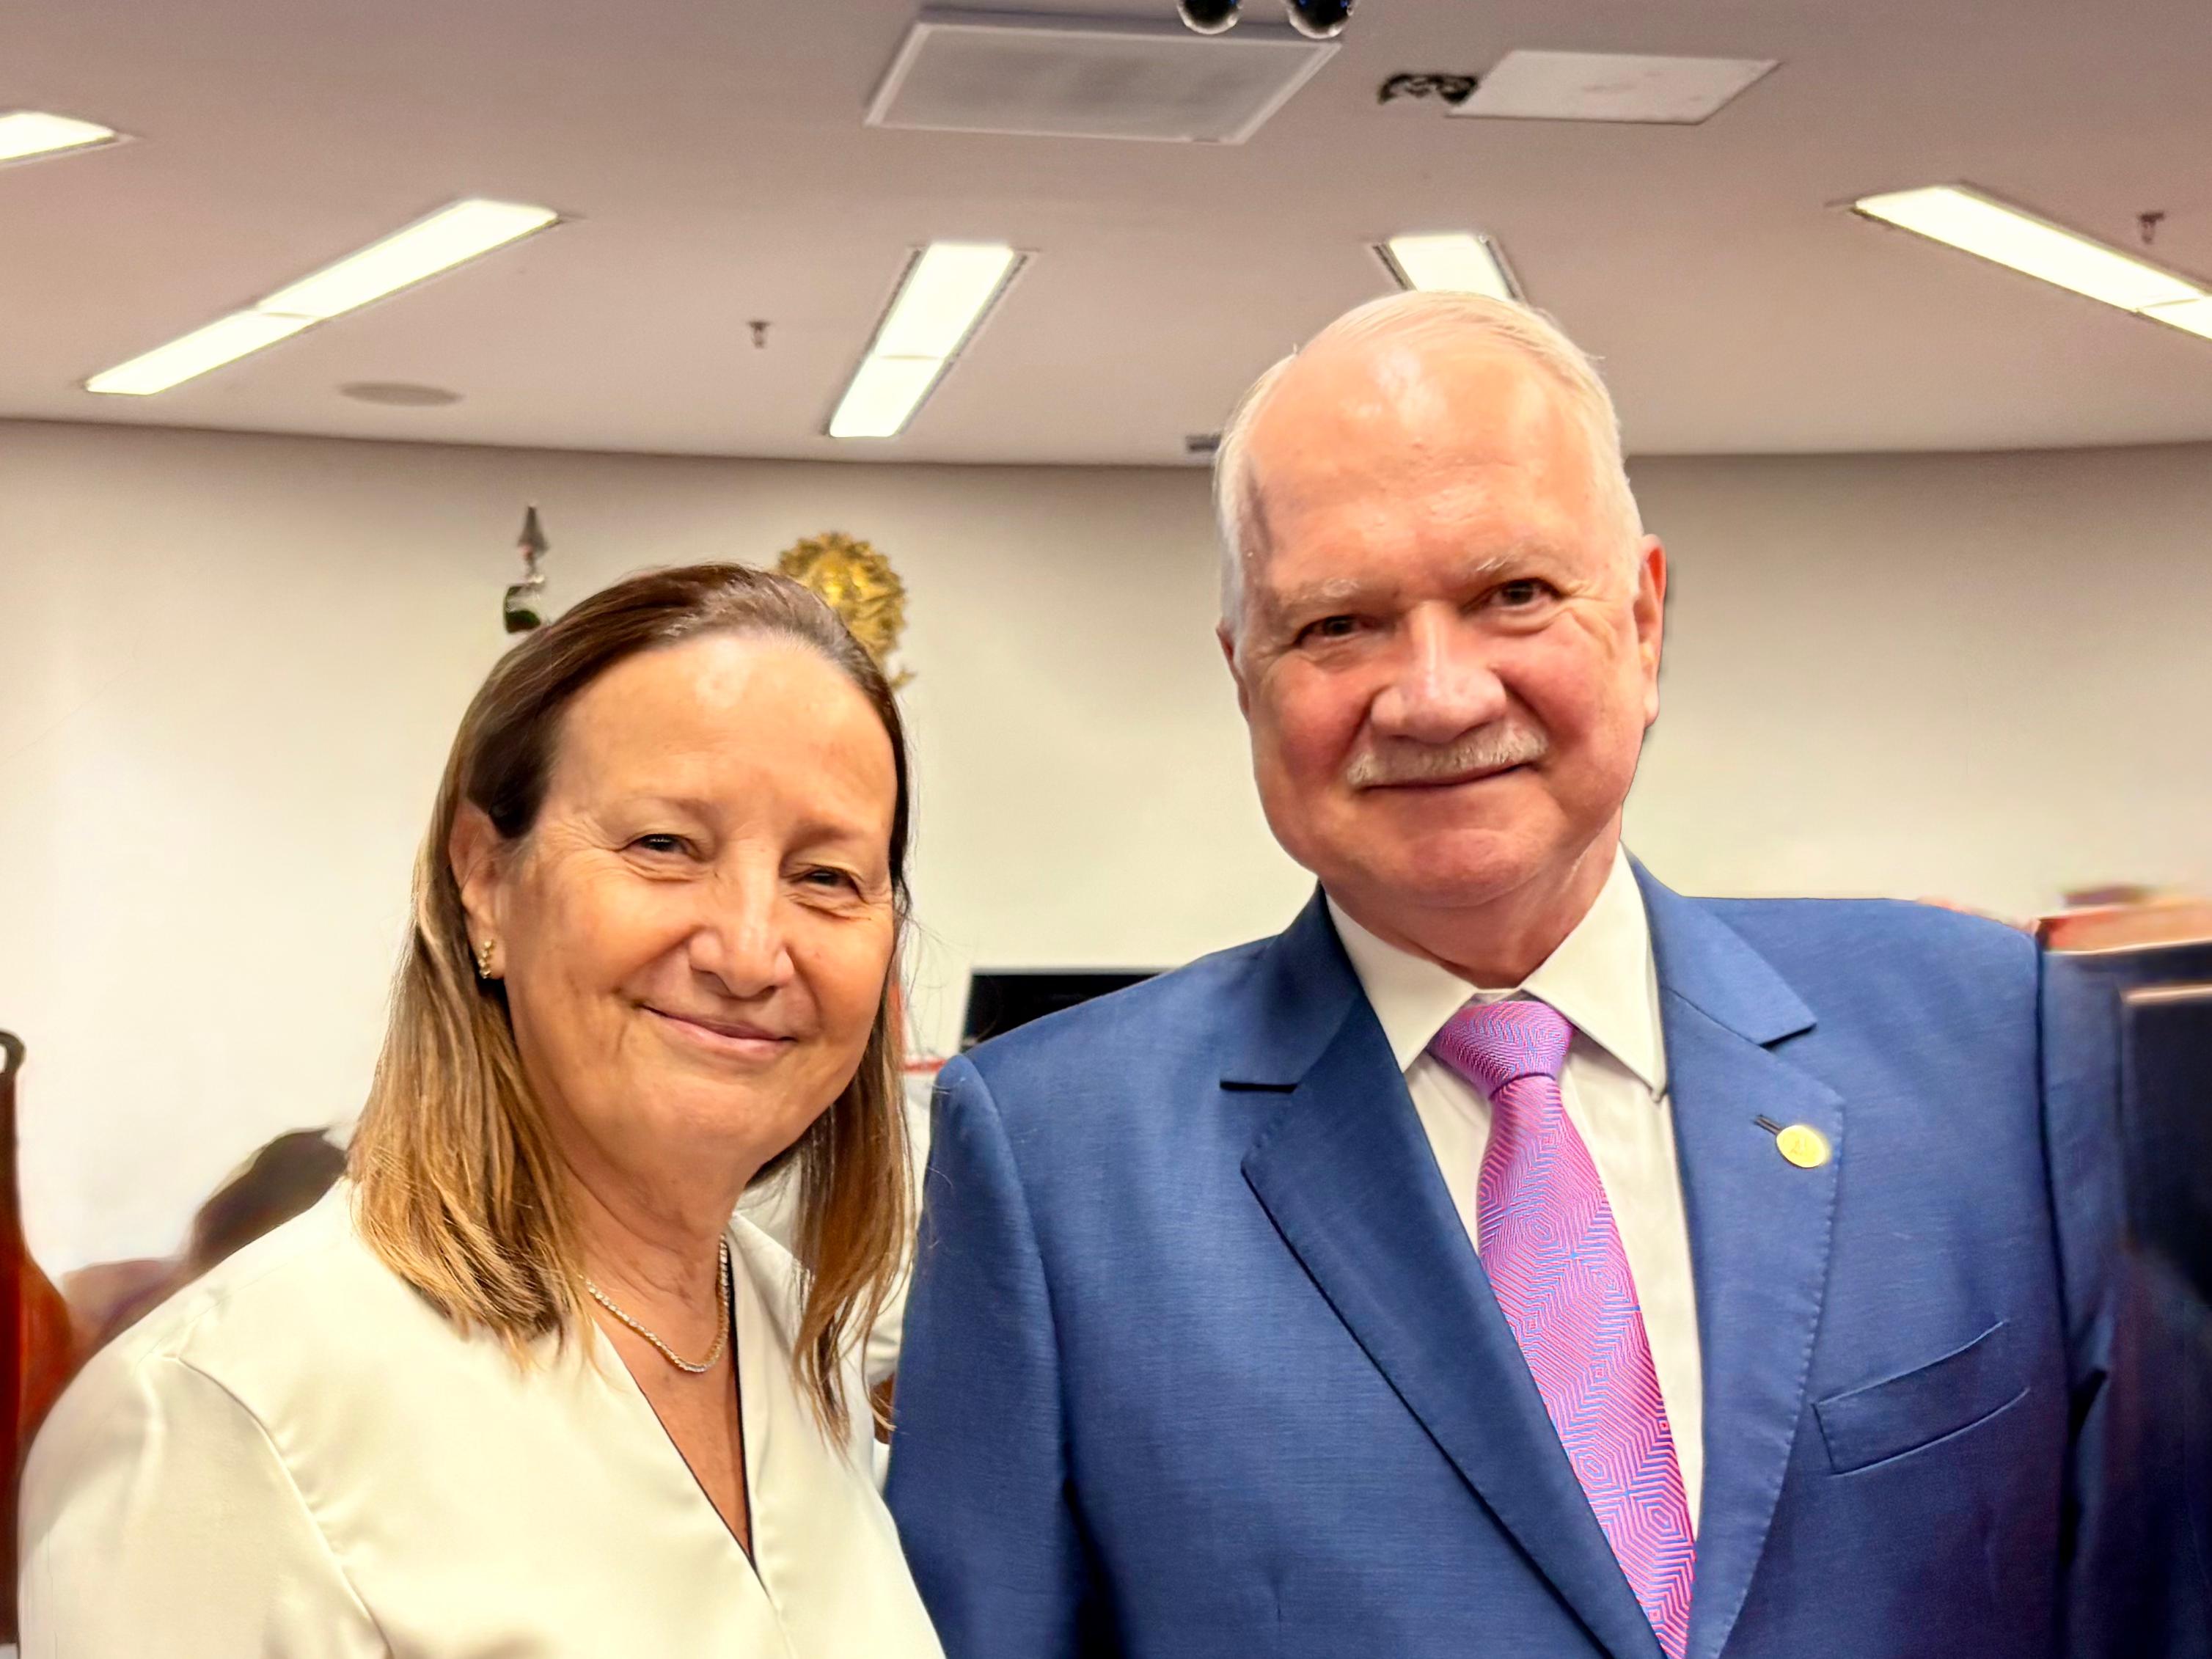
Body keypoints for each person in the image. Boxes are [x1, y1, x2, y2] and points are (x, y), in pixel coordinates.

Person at [885, 293, 2205, 1658]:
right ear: (1245, 676)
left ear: (1640, 618)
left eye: (1512, 593)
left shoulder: (1997, 1040)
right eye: (1339, 623)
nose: (1437, 694)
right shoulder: (1056, 1161)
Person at [22, 565, 945, 1657]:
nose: (751, 950)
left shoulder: (798, 1336)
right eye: (664, 846)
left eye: (827, 874)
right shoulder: (224, 1411)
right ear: (481, 878)